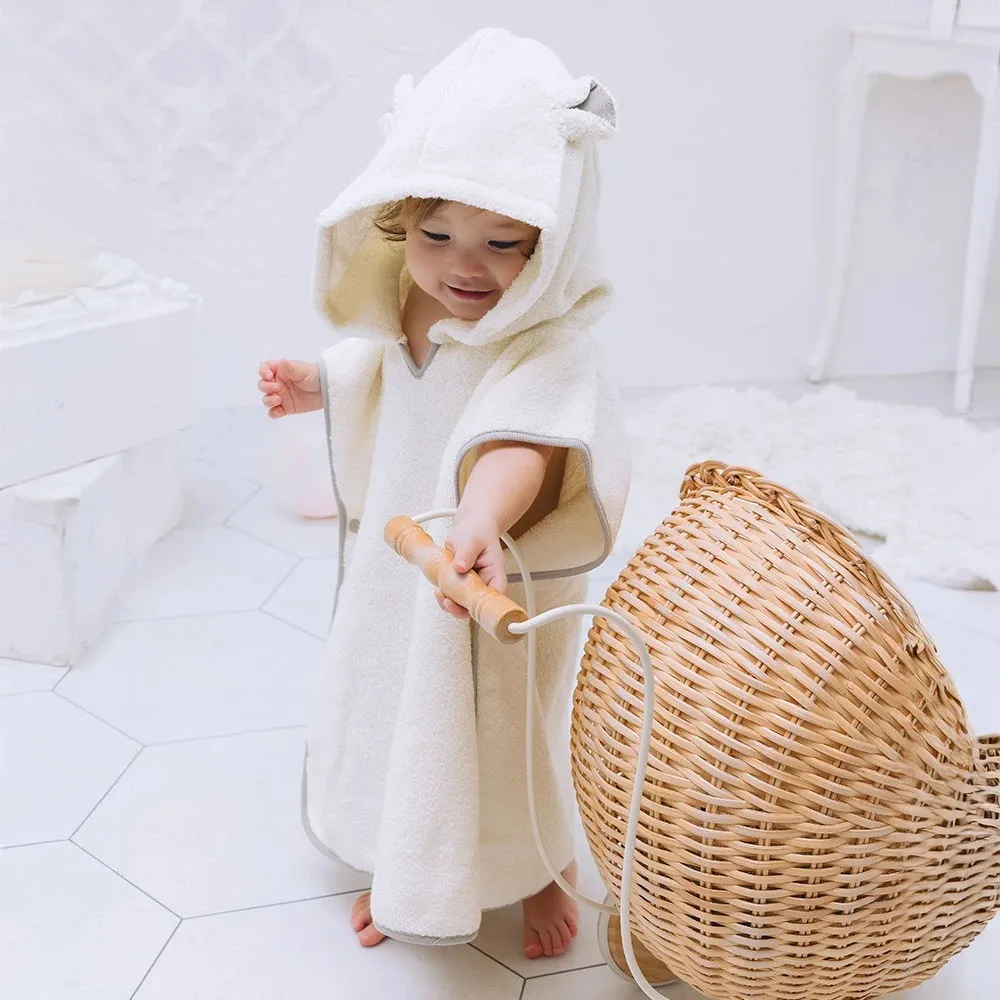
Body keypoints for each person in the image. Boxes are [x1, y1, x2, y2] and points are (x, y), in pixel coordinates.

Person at [257, 28, 630, 961]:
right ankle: (406, 861)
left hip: (487, 572)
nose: (467, 266)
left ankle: (538, 866)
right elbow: (390, 370)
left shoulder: (542, 342)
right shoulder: (415, 305)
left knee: (503, 733)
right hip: (403, 571)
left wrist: (482, 517)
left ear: (551, 241)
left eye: (504, 243)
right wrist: (318, 383)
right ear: (397, 221)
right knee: (394, 707)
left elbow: (521, 442)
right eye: (436, 236)